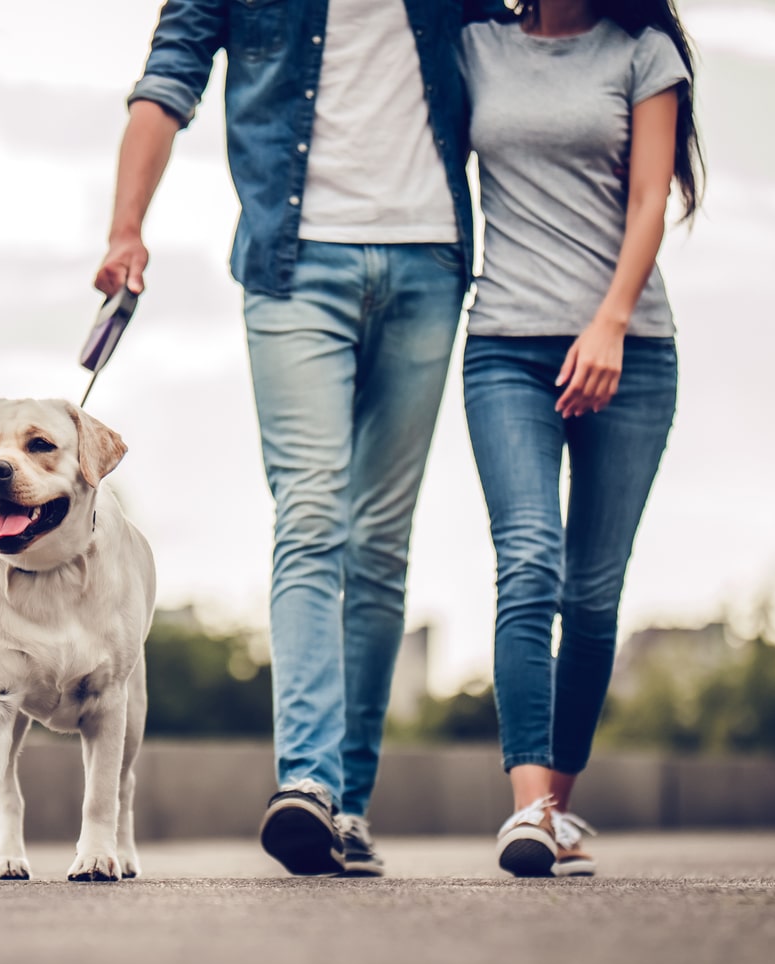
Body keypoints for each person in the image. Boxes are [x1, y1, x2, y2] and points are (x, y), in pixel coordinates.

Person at [94, 0, 512, 877]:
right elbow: (168, 77)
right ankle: (310, 783)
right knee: (311, 511)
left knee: (379, 542)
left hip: (429, 262)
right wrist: (126, 225)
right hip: (293, 266)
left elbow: (533, 46)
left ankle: (350, 804)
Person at [457, 0, 704, 877]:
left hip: (630, 353)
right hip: (505, 350)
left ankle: (556, 808)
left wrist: (608, 324)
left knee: (592, 597)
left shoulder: (644, 56)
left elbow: (649, 200)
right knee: (528, 560)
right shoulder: (474, 44)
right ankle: (529, 812)